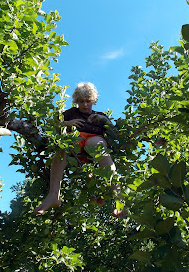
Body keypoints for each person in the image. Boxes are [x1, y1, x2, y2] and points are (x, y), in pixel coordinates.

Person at [34, 82, 125, 217]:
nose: (85, 104)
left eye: (88, 101)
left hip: (93, 141)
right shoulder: (71, 113)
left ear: (93, 100)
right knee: (62, 148)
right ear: (77, 101)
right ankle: (54, 194)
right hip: (75, 144)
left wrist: (103, 120)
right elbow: (51, 124)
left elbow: (114, 132)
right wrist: (66, 123)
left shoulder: (100, 115)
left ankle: (119, 199)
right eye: (81, 101)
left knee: (96, 144)